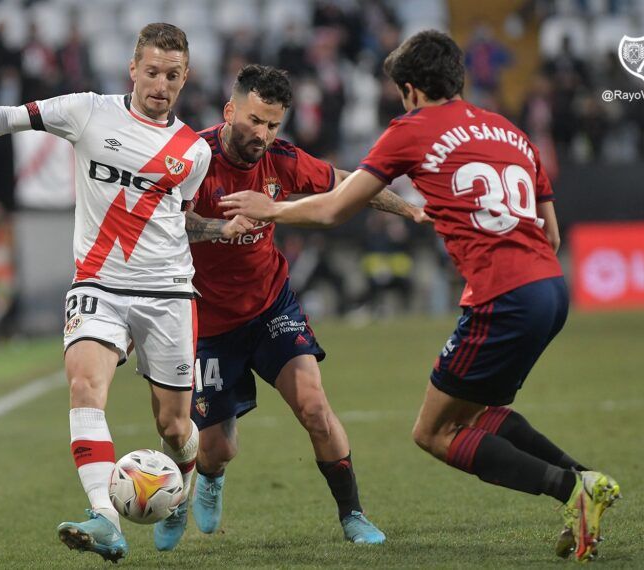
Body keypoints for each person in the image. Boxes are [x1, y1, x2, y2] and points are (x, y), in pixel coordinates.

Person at [221, 30, 621, 562]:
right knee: (478, 413)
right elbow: (551, 233)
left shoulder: (410, 130)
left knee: (433, 432)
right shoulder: (509, 131)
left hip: (501, 297)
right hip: (552, 289)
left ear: (410, 90)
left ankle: (571, 489)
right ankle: (584, 480)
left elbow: (333, 208)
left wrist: (272, 209)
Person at [0, 23, 248, 562]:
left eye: (172, 75)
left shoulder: (194, 151)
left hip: (167, 293)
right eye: (152, 71)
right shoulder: (88, 110)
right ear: (132, 69)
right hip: (98, 283)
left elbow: (178, 220)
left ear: (185, 78)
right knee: (84, 387)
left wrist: (217, 230)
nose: (160, 84)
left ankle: (184, 486)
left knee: (174, 424)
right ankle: (105, 518)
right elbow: (18, 117)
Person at [168, 64, 426, 550]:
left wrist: (407, 207)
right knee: (217, 447)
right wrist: (215, 229)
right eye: (254, 121)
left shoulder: (283, 161)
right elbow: (167, 224)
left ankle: (353, 515)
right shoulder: (192, 158)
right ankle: (211, 477)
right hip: (209, 324)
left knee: (314, 406)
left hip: (270, 307)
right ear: (230, 111)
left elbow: (351, 183)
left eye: (272, 124)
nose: (263, 134)